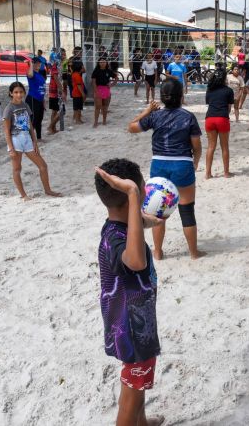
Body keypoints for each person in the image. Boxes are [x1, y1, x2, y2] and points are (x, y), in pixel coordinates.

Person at [94, 158, 164, 426]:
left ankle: (142, 423)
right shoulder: (116, 238)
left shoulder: (117, 225)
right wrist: (134, 193)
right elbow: (136, 261)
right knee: (132, 391)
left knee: (139, 380)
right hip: (132, 327)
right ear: (132, 194)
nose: (145, 188)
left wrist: (149, 219)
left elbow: (135, 224)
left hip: (135, 320)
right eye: (141, 186)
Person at [128, 80, 203, 260]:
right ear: (181, 96)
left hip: (159, 164)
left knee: (157, 212)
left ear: (162, 97)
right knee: (187, 211)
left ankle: (158, 252)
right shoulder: (188, 116)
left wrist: (146, 111)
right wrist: (195, 162)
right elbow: (197, 146)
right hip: (182, 164)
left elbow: (131, 127)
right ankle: (193, 253)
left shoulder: (155, 116)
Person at [3, 82, 61, 201]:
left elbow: (30, 125)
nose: (19, 94)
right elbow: (6, 130)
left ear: (24, 92)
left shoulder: (25, 106)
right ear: (11, 93)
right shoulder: (9, 109)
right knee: (17, 169)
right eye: (16, 92)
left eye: (21, 92)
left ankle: (48, 190)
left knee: (43, 166)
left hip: (27, 139)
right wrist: (11, 148)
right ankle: (23, 195)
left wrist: (35, 142)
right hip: (16, 140)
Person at [204, 70, 235, 179]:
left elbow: (209, 103)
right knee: (224, 147)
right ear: (224, 79)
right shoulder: (229, 91)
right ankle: (226, 173)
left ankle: (207, 174)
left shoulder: (209, 90)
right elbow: (229, 108)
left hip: (209, 118)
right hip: (222, 118)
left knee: (210, 147)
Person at [25, 59, 47, 140]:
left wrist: (43, 101)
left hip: (40, 100)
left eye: (39, 63)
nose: (38, 64)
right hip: (32, 99)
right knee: (33, 120)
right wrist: (30, 64)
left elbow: (42, 89)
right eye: (36, 63)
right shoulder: (31, 73)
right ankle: (29, 138)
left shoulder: (40, 75)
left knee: (39, 120)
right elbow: (30, 74)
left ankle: (39, 138)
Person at [92, 58, 115, 127]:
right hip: (98, 89)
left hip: (106, 89)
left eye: (104, 62)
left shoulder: (109, 70)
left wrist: (112, 84)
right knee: (97, 107)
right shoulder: (96, 71)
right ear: (98, 63)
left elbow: (116, 77)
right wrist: (96, 92)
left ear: (106, 63)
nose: (102, 63)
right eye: (101, 62)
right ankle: (96, 122)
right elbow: (93, 82)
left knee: (105, 107)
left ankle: (104, 121)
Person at [46, 58, 65, 135]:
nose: (64, 56)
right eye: (63, 54)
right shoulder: (55, 66)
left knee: (54, 111)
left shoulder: (57, 66)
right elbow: (56, 79)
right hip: (55, 92)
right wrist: (62, 91)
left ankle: (53, 129)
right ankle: (51, 127)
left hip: (54, 92)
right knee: (62, 111)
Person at [70, 60, 86, 124]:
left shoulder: (75, 74)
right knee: (77, 108)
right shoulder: (77, 75)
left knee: (79, 108)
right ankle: (77, 120)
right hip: (77, 94)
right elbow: (79, 86)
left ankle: (79, 119)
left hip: (77, 93)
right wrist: (83, 94)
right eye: (82, 66)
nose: (83, 68)